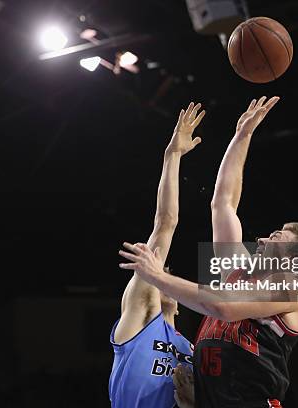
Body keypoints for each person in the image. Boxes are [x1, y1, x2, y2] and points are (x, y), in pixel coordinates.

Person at [119, 96, 298, 408]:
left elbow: (223, 307)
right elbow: (223, 202)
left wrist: (158, 277)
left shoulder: (292, 289)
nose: (265, 237)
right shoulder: (239, 272)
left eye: (278, 236)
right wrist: (242, 137)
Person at [110, 102, 205, 408]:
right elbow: (165, 224)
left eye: (167, 275)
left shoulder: (192, 349)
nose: (162, 279)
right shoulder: (140, 318)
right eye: (160, 274)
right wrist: (172, 156)